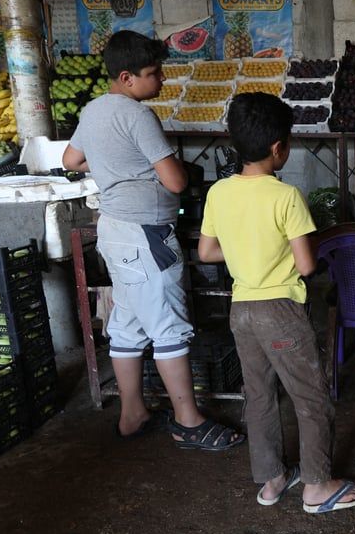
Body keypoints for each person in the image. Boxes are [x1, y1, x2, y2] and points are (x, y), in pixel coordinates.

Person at [62, 31, 244, 451]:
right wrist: (148, 160)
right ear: (127, 77)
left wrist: (115, 161)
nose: (160, 80)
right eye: (153, 74)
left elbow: (70, 160)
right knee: (169, 327)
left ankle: (132, 414)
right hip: (145, 233)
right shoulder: (136, 116)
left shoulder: (93, 111)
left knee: (126, 325)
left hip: (114, 231)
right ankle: (188, 421)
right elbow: (176, 181)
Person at [197, 93, 355, 513]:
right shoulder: (286, 196)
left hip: (241, 311)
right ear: (279, 148)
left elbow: (206, 253)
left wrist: (246, 253)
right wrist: (281, 250)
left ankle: (272, 480)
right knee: (311, 398)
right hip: (280, 312)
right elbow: (307, 264)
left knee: (258, 396)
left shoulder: (219, 193)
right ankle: (316, 486)